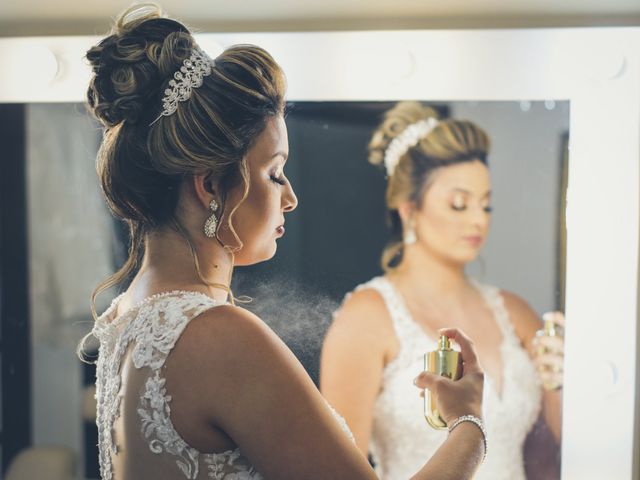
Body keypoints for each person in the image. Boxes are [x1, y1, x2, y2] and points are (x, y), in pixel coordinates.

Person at [83, 6, 487, 479]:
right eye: (275, 173)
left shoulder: (125, 316)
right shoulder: (219, 335)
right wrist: (468, 424)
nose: (291, 198)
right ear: (210, 185)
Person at [320, 101, 564, 480]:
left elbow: (567, 440)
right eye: (458, 203)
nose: (477, 219)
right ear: (408, 209)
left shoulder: (516, 313)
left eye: (486, 205)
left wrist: (567, 379)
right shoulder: (367, 317)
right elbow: (335, 472)